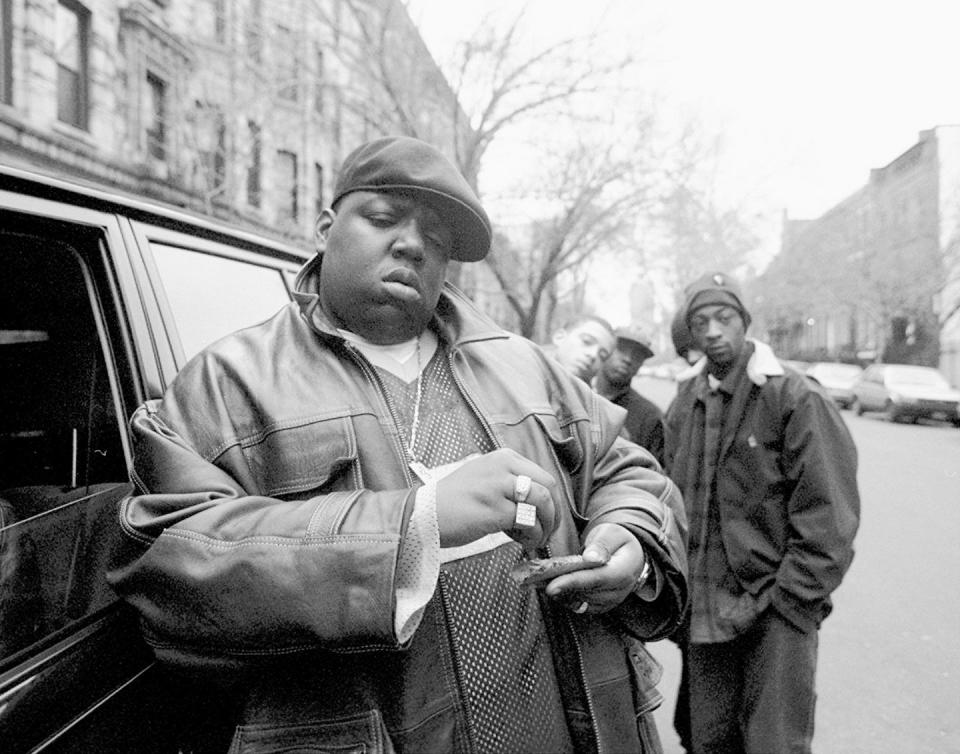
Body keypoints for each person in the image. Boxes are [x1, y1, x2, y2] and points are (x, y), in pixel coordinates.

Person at [107, 136, 688, 754]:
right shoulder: (227, 384)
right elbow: (170, 564)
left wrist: (630, 540)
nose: (411, 244)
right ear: (327, 226)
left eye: (435, 239)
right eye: (383, 218)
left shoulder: (523, 365)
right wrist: (415, 524)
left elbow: (628, 470)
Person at [664, 271, 859, 754]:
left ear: (744, 322)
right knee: (707, 741)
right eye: (701, 321)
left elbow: (828, 512)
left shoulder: (793, 395)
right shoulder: (686, 400)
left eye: (724, 317)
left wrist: (791, 601)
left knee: (774, 743)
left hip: (775, 607)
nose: (713, 330)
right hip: (706, 609)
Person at [594, 325, 665, 466]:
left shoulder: (649, 417)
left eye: (637, 355)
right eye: (621, 349)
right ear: (605, 350)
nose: (628, 359)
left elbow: (653, 475)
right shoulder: (580, 396)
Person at [548, 313, 615, 383]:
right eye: (587, 342)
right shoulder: (536, 366)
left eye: (602, 356)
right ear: (559, 337)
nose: (593, 354)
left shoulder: (588, 393)